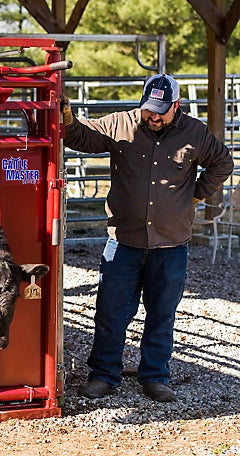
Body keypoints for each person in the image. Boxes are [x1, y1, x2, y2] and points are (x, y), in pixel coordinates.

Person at [61, 74, 234, 402]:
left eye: (161, 111)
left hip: (171, 243)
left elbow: (223, 162)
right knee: (111, 311)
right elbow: (82, 137)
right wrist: (67, 119)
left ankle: (155, 376)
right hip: (124, 240)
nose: (153, 116)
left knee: (162, 313)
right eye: (149, 109)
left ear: (176, 106)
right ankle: (104, 375)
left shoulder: (194, 132)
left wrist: (197, 195)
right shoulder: (120, 124)